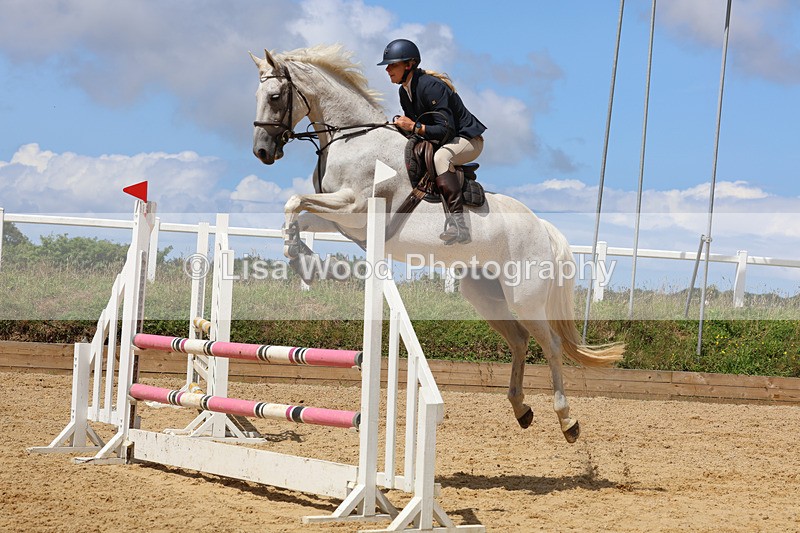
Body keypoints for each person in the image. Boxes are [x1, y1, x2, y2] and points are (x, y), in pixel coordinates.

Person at [378, 38, 486, 245]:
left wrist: (414, 127)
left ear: (409, 65)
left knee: (441, 157)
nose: (388, 69)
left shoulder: (431, 86)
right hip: (445, 138)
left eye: (393, 64)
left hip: (467, 139)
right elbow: (417, 129)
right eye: (387, 65)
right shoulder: (404, 91)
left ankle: (459, 225)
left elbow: (446, 129)